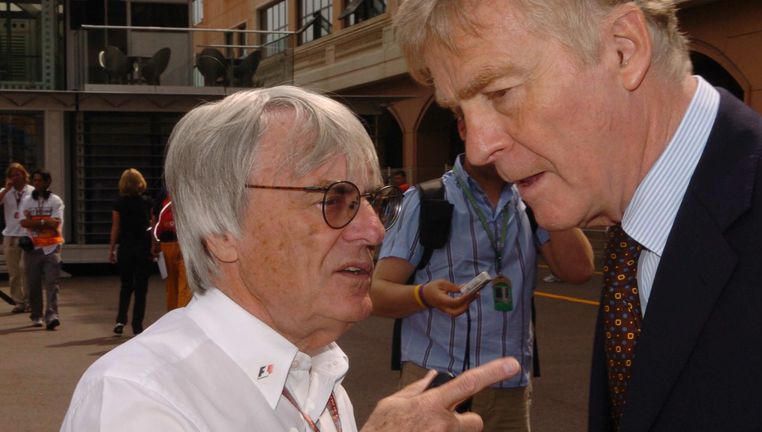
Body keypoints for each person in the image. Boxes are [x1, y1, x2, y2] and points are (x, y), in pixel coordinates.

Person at [393, 1, 762, 431]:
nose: (479, 147)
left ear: (623, 50)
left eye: (500, 93)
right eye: (460, 111)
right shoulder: (636, 236)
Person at [62, 86, 521, 432]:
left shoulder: (316, 371)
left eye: (373, 200)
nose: (375, 231)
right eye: (335, 198)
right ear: (223, 231)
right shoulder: (139, 398)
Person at [373, 150, 593, 431]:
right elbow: (376, 294)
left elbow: (578, 270)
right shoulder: (425, 200)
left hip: (510, 388)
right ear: (464, 127)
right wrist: (424, 295)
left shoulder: (529, 202)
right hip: (435, 385)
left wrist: (545, 189)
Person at [108, 168, 154, 335]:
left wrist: (112, 249)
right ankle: (137, 324)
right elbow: (152, 226)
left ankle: (120, 319)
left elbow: (116, 227)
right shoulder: (147, 202)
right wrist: (155, 246)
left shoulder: (119, 203)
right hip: (143, 247)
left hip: (126, 247)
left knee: (126, 285)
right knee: (141, 287)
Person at [19, 169, 64, 330]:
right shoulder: (26, 200)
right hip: (32, 247)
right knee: (33, 284)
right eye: (35, 180)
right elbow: (23, 223)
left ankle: (52, 315)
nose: (37, 183)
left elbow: (56, 222)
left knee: (52, 282)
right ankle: (36, 315)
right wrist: (45, 221)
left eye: (40, 180)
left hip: (51, 247)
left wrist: (36, 221)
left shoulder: (55, 200)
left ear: (47, 182)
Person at [0, 162, 35, 313]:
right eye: (12, 175)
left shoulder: (31, 191)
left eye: (18, 174)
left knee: (25, 269)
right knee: (14, 272)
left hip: (27, 234)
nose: (15, 177)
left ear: (24, 175)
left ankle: (29, 301)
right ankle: (18, 301)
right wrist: (6, 189)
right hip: (10, 234)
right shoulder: (5, 191)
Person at [152, 188, 192, 310]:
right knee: (184, 285)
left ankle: (171, 314)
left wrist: (155, 243)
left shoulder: (163, 193)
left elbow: (154, 217)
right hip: (186, 244)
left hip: (167, 244)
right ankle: (182, 314)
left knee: (171, 285)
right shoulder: (189, 189)